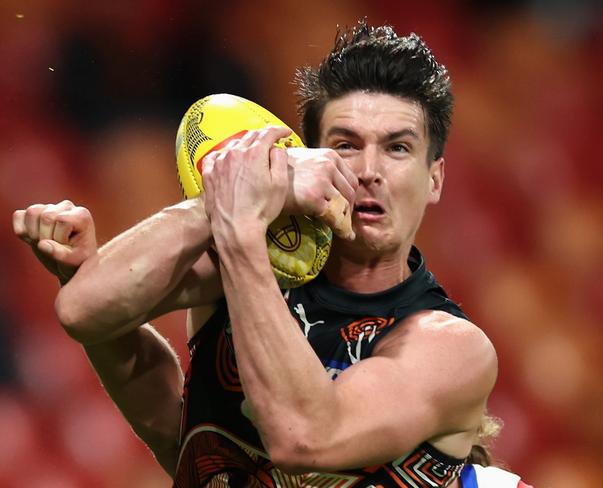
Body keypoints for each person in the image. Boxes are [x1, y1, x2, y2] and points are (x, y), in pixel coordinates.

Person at [13, 20, 534, 488]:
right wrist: (221, 202)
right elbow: (84, 310)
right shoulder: (247, 253)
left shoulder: (449, 349)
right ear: (307, 159)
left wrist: (237, 226)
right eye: (346, 145)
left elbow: (302, 438)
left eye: (397, 147)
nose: (369, 170)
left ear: (435, 177)